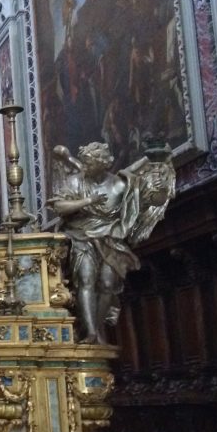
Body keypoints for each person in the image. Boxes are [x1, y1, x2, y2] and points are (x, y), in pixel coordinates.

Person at [48, 141, 175, 343]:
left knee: (107, 284)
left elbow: (152, 200)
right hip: (81, 236)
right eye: (85, 163)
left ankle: (96, 328)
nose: (85, 166)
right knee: (86, 279)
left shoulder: (120, 184)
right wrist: (87, 201)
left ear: (102, 164)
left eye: (89, 163)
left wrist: (159, 181)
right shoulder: (75, 182)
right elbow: (59, 207)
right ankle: (90, 332)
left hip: (112, 239)